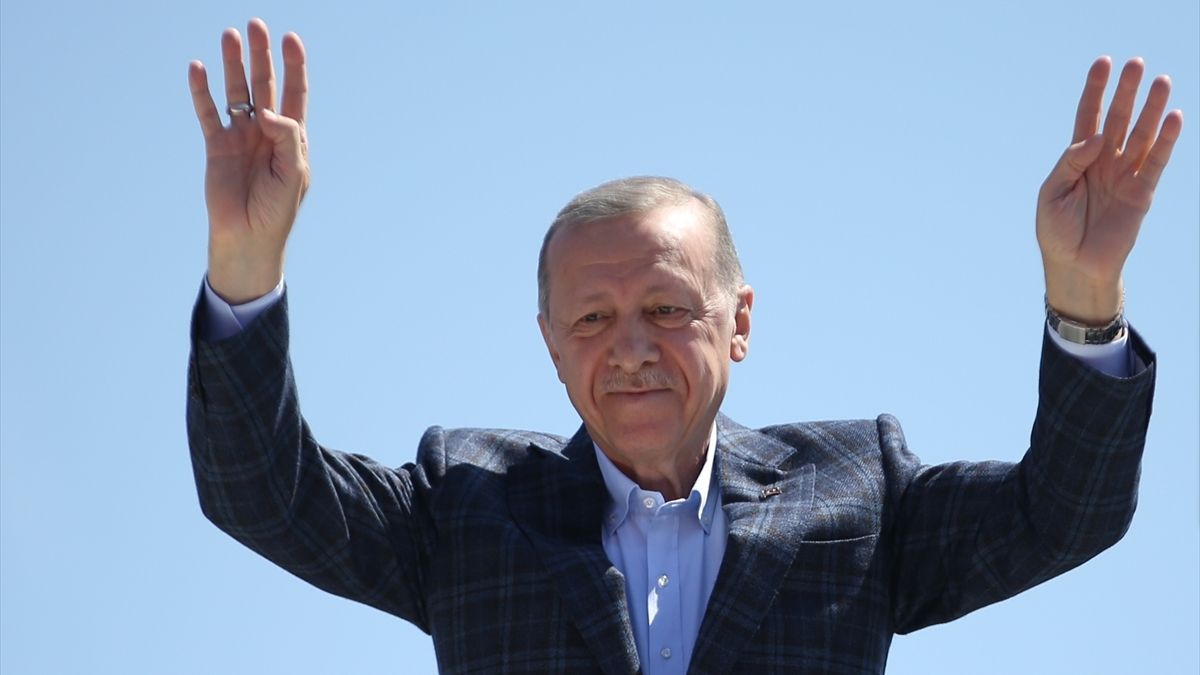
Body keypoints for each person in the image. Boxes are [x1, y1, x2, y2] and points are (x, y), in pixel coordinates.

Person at [186, 18, 1182, 675]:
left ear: (738, 321)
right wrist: (244, 263)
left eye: (666, 308)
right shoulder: (465, 508)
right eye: (591, 319)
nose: (630, 347)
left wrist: (1084, 293)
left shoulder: (859, 494)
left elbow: (1066, 513)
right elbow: (261, 493)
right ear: (551, 346)